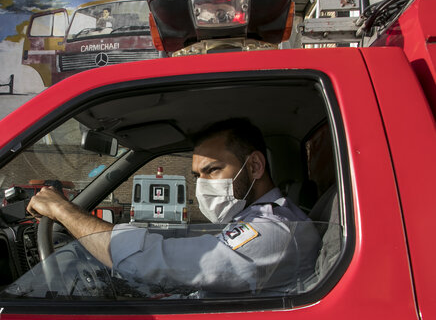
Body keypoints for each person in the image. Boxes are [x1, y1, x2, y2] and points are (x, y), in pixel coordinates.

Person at [26, 118, 321, 295]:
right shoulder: (253, 219)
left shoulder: (274, 231)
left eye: (213, 170)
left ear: (255, 165)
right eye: (197, 176)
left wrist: (62, 211)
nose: (203, 185)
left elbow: (153, 260)